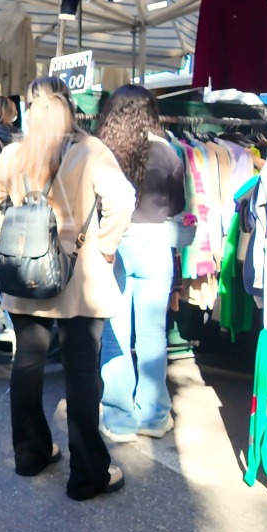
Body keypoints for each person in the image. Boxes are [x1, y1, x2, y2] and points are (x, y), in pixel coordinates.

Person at [0, 76, 136, 502]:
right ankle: (87, 475)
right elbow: (123, 198)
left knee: (27, 366)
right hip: (82, 276)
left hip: (28, 274)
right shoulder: (92, 150)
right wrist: (108, 246)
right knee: (82, 375)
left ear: (28, 109)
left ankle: (31, 455)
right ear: (69, 105)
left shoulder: (15, 153)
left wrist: (9, 239)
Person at [95, 85, 187, 443]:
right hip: (154, 243)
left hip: (113, 243)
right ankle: (153, 415)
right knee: (152, 335)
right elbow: (178, 204)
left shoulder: (102, 152)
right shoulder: (168, 151)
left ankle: (119, 420)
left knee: (115, 335)